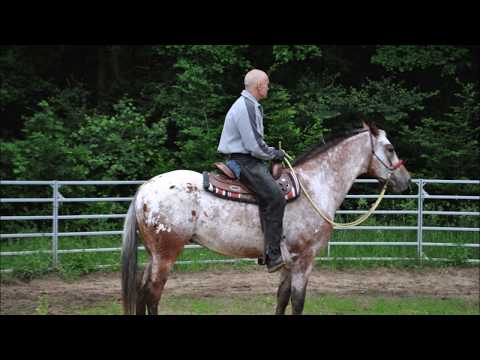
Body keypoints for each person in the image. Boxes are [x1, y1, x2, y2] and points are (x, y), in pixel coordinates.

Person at [218, 69, 286, 273]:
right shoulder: (247, 106)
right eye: (267, 84)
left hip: (247, 159)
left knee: (268, 196)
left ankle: (264, 249)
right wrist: (274, 153)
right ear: (259, 86)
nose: (268, 87)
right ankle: (273, 255)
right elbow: (255, 146)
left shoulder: (248, 104)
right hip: (245, 161)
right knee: (276, 198)